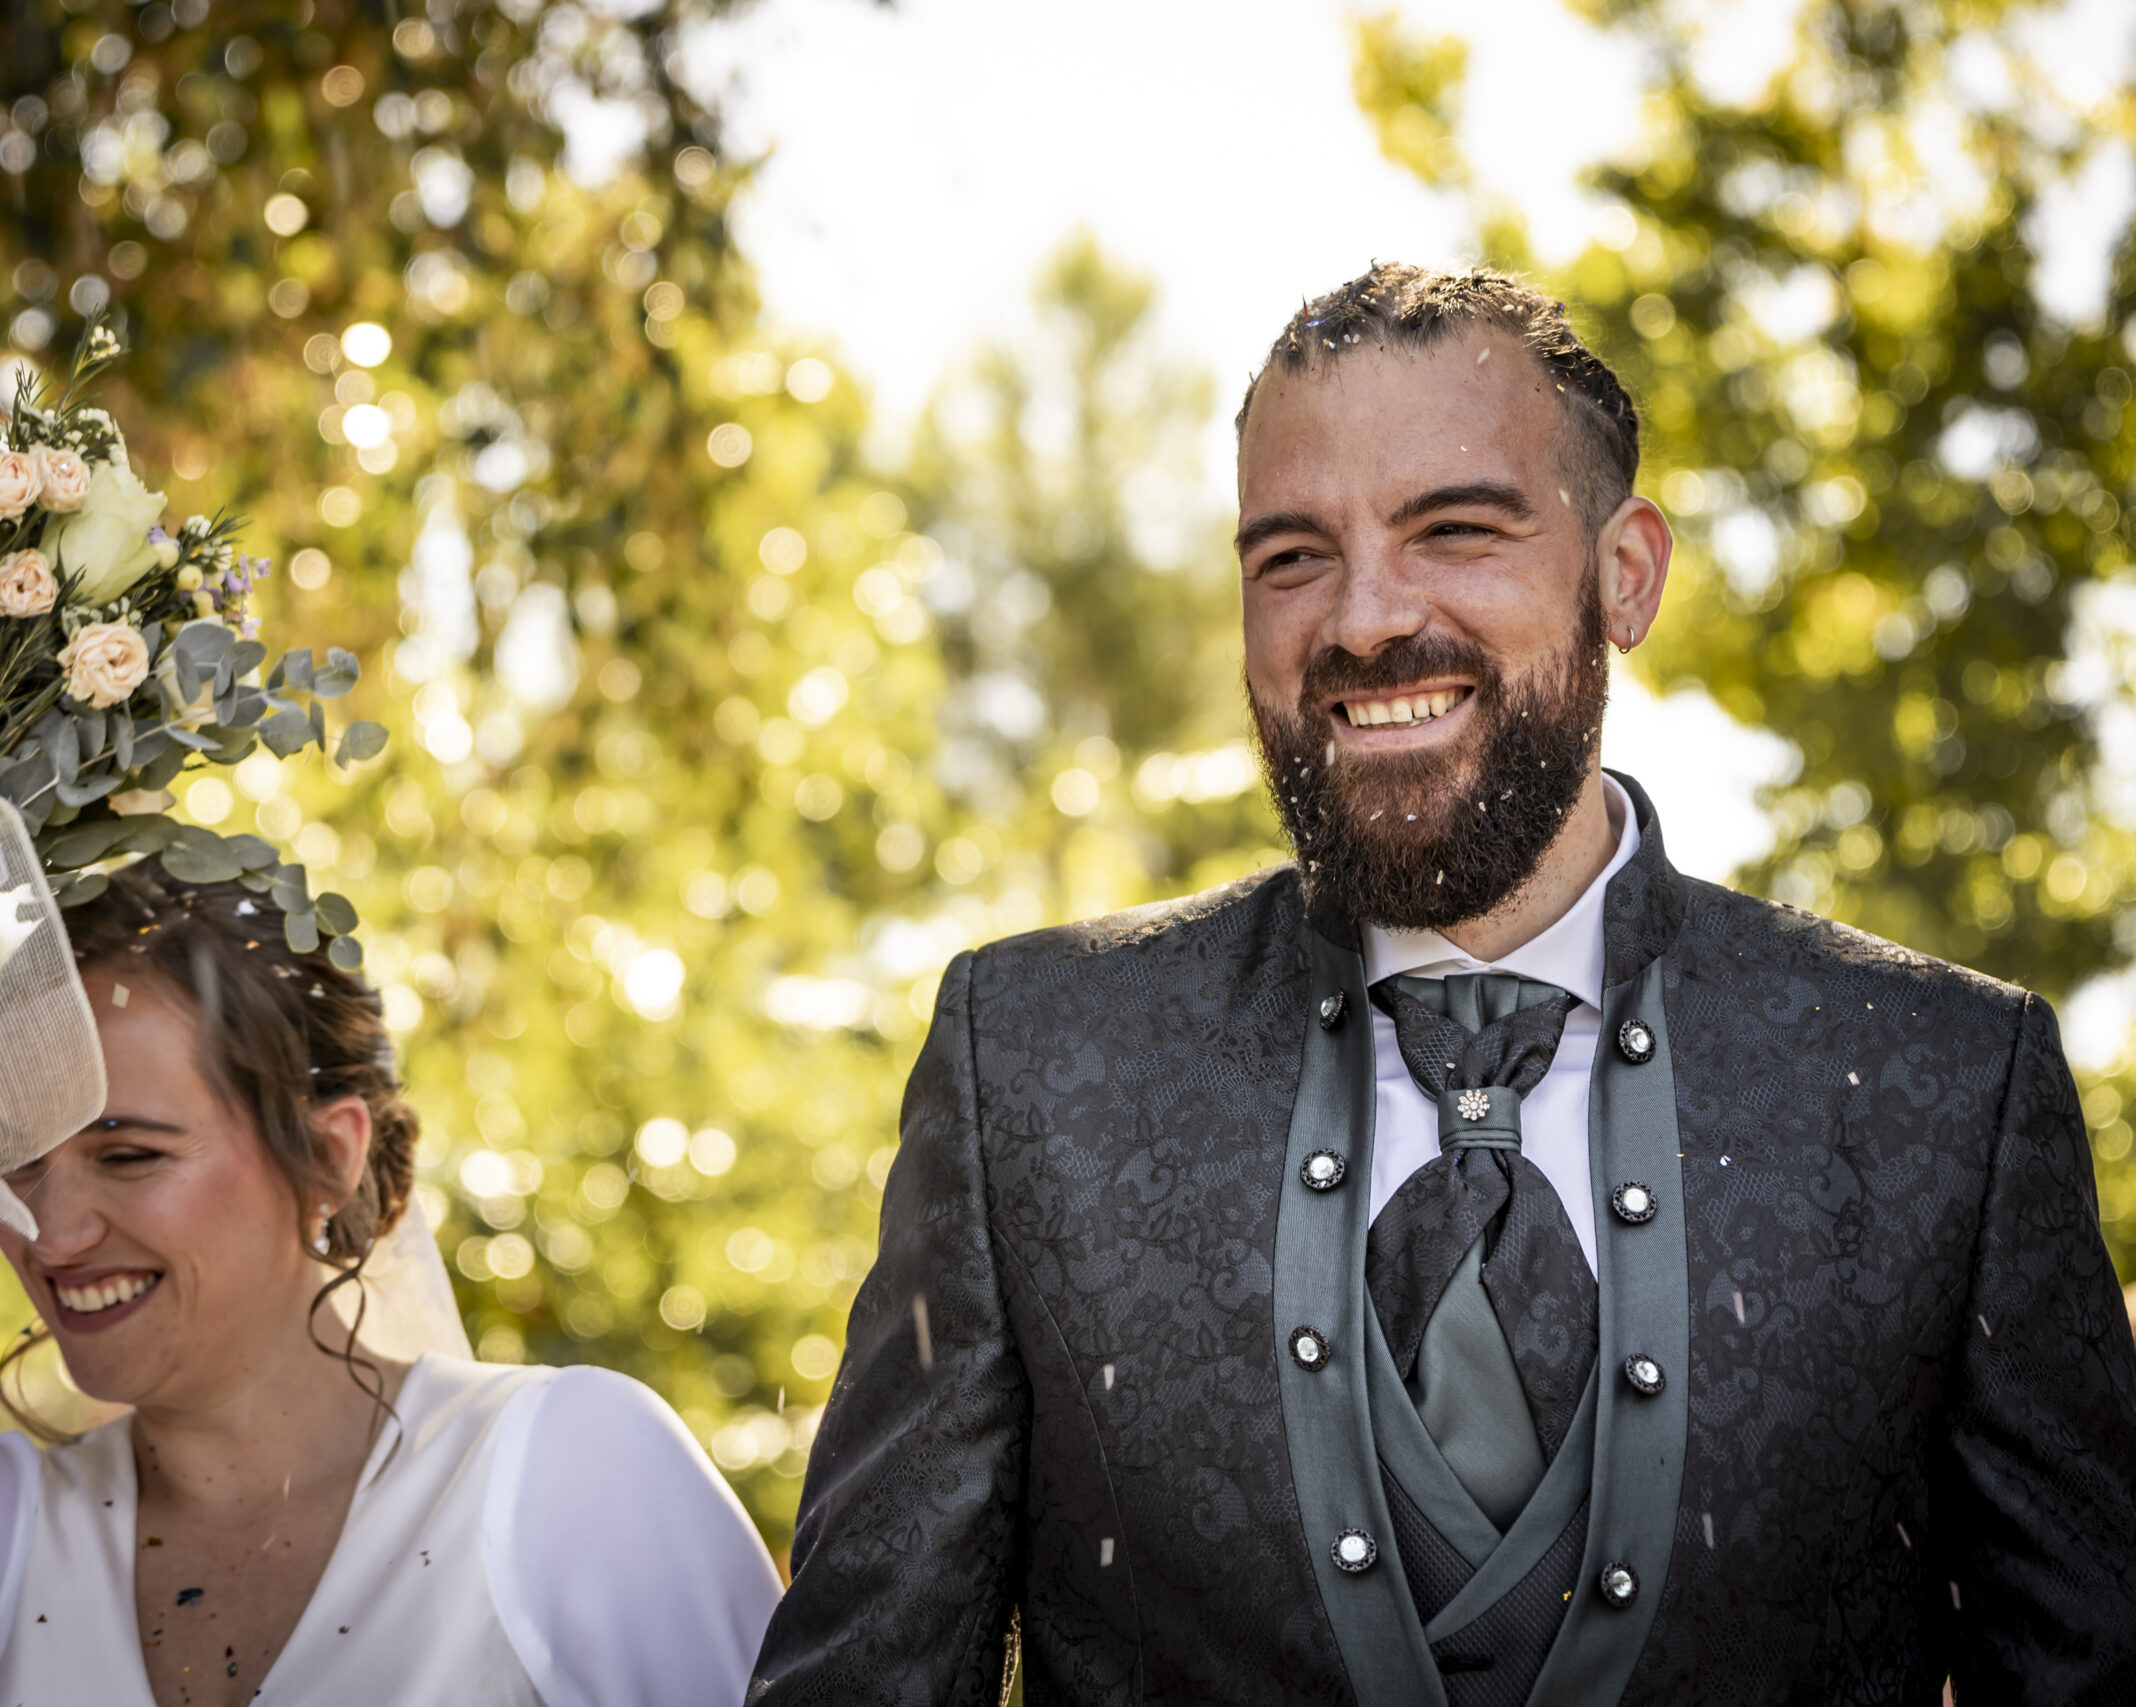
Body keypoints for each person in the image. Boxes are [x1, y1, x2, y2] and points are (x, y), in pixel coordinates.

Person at [749, 263, 2136, 1703]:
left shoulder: (1949, 1088)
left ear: (1627, 573)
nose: (1360, 618)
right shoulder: (1031, 1069)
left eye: (1454, 529)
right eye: (1290, 556)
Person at [0, 860, 779, 1707]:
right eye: (20, 1164)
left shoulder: (568, 1467)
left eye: (130, 1154)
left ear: (330, 1153)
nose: (52, 1232)